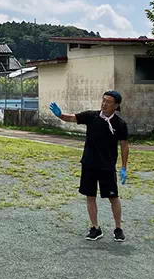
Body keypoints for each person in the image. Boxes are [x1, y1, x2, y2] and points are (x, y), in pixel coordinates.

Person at [49, 91, 129, 242]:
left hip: (107, 166)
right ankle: (95, 228)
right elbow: (71, 117)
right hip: (89, 164)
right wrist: (60, 115)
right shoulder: (91, 116)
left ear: (116, 105)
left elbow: (124, 146)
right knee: (90, 196)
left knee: (113, 197)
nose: (104, 104)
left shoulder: (120, 124)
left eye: (109, 102)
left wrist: (124, 167)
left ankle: (118, 228)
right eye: (103, 100)